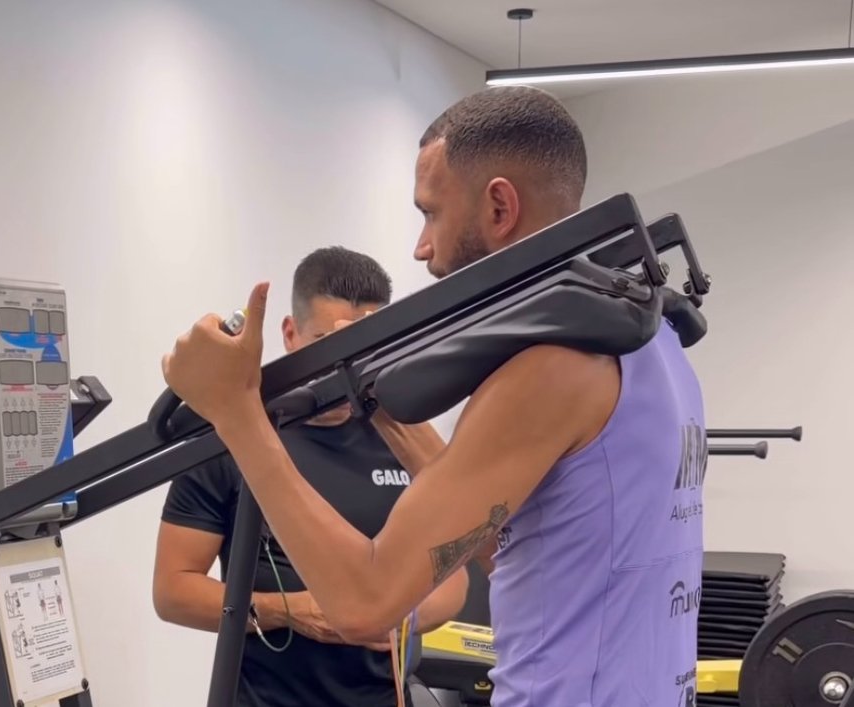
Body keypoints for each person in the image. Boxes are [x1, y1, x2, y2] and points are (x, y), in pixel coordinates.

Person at [160, 86, 705, 707]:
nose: (422, 248)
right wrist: (372, 395)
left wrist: (236, 409)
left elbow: (363, 606)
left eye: (430, 214)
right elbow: (513, 549)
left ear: (499, 207)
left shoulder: (552, 369)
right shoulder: (652, 340)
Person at [152, 246, 469, 707]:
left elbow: (454, 578)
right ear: (289, 334)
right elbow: (172, 591)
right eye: (327, 343)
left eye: (365, 348)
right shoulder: (232, 438)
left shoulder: (401, 437)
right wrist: (287, 611)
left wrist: (392, 614)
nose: (346, 366)